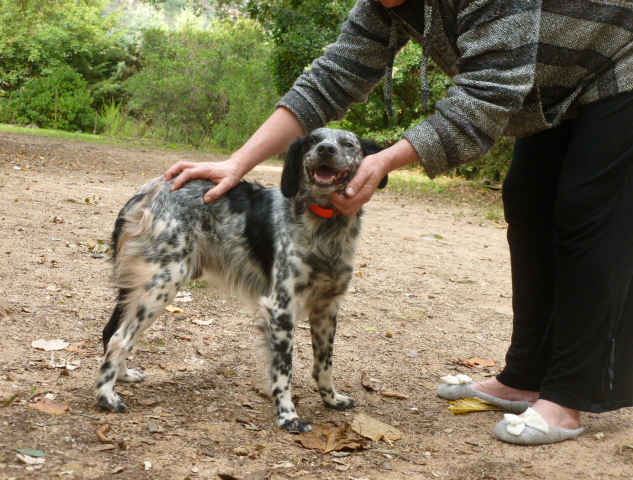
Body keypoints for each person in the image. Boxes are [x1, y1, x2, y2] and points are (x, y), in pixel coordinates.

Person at [164, 0, 633, 445]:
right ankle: (525, 378)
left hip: (619, 61)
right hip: (552, 88)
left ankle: (568, 398)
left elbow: (487, 95)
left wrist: (383, 160)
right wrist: (237, 163)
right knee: (527, 201)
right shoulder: (380, 9)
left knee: (587, 208)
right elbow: (328, 80)